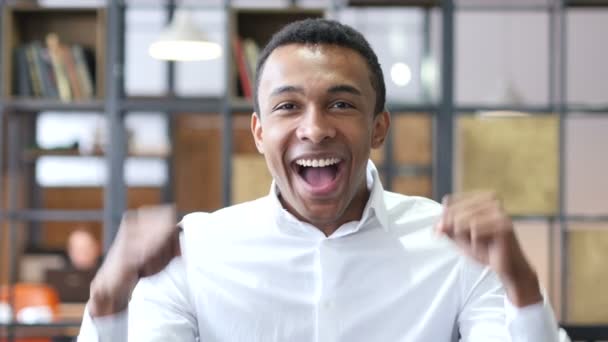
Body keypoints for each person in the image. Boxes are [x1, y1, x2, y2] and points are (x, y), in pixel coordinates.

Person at [77, 19, 563, 341]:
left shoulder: (458, 247)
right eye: (288, 106)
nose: (315, 128)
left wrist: (520, 283)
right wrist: (106, 298)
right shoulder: (192, 251)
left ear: (378, 128)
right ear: (260, 132)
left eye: (342, 104)